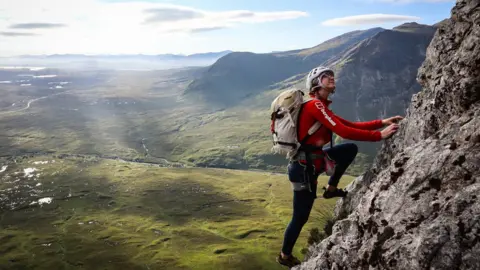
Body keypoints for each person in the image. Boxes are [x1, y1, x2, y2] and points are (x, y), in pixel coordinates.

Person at [276, 66, 403, 267]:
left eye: (332, 76)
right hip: (302, 169)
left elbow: (350, 125)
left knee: (349, 149)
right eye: (326, 76)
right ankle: (284, 256)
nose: (331, 78)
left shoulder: (321, 107)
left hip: (314, 162)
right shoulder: (315, 106)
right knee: (300, 217)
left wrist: (381, 122)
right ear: (316, 83)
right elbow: (343, 130)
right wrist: (379, 135)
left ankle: (332, 188)